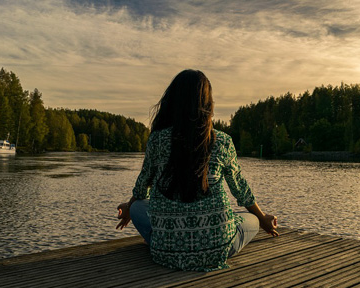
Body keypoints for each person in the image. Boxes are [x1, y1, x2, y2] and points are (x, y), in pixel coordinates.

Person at [116, 69, 278, 272]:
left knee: (139, 206)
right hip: (217, 249)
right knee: (251, 219)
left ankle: (167, 239)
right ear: (207, 104)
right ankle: (219, 234)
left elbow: (142, 187)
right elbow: (241, 190)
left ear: (173, 101)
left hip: (165, 252)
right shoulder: (223, 141)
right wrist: (263, 219)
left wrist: (130, 207)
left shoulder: (157, 140)